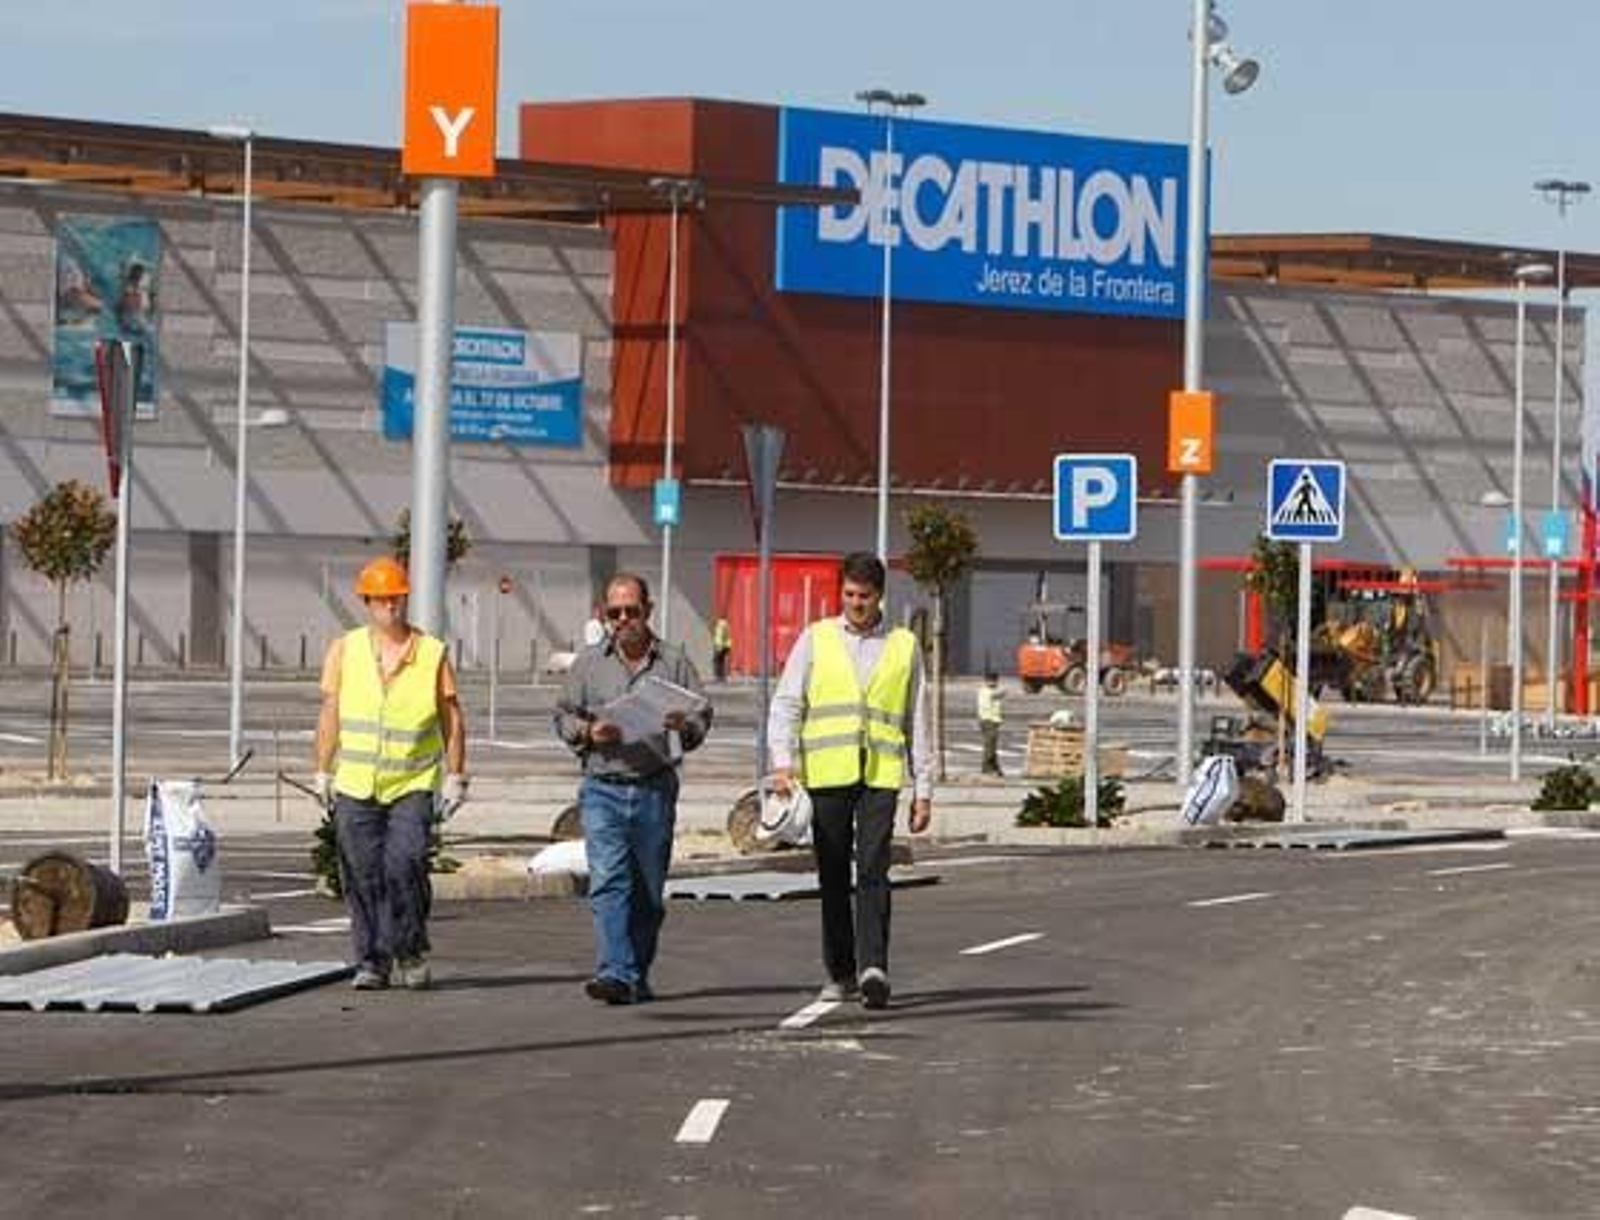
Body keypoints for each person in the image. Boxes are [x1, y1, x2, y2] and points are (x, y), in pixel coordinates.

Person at [767, 552, 933, 1010]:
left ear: (881, 595)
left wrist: (924, 790)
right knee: (834, 875)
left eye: (864, 596)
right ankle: (841, 971)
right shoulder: (816, 639)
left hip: (880, 775)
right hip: (827, 775)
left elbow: (917, 719)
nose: (856, 603)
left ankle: (873, 967)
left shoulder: (903, 646)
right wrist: (783, 762)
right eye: (849, 595)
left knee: (875, 868)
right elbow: (786, 704)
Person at [554, 572, 712, 1005]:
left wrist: (686, 725)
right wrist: (588, 731)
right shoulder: (588, 664)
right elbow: (563, 716)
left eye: (631, 611)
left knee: (646, 894)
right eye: (614, 613)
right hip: (603, 787)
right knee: (608, 881)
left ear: (649, 611)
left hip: (654, 789)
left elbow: (701, 717)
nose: (623, 620)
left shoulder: (674, 663)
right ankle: (614, 972)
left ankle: (635, 973)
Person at [312, 556, 467, 992]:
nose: (390, 608)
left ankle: (410, 948)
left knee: (407, 862)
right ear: (367, 602)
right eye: (381, 600)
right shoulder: (346, 649)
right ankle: (372, 961)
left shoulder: (431, 653)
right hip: (356, 783)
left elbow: (450, 716)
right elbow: (330, 713)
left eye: (397, 599)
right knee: (362, 872)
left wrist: (457, 774)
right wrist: (322, 769)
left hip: (412, 784)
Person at [977, 669, 1006, 777]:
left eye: (995, 680)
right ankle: (986, 768)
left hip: (993, 721)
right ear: (986, 681)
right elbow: (995, 695)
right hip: (988, 720)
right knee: (989, 746)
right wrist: (1003, 692)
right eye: (991, 680)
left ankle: (995, 768)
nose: (993, 683)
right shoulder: (985, 691)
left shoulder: (991, 690)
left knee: (992, 746)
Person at [712, 614, 733, 682]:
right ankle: (723, 676)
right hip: (726, 645)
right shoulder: (726, 624)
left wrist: (718, 647)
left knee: (717, 661)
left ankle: (719, 676)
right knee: (722, 661)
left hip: (721, 646)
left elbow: (719, 636)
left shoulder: (720, 624)